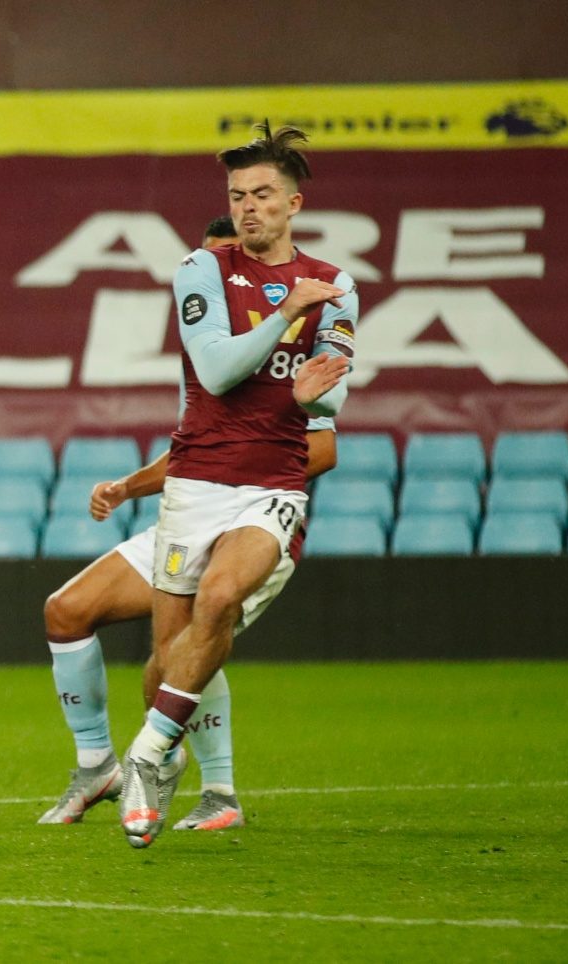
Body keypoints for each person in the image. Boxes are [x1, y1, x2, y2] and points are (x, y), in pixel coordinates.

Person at [38, 216, 339, 832]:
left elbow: (325, 447)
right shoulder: (210, 345)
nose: (211, 280)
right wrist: (129, 486)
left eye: (224, 264)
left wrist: (252, 467)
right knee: (66, 611)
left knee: (189, 641)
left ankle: (218, 790)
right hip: (190, 507)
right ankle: (97, 764)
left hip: (254, 514)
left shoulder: (289, 338)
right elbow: (200, 445)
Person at [118, 123, 356, 847]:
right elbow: (218, 370)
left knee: (220, 598)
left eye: (261, 195)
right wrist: (287, 315)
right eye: (236, 195)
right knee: (168, 658)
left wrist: (315, 396)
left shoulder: (335, 284)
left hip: (272, 483)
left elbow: (332, 400)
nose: (248, 207)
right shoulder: (201, 268)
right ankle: (182, 768)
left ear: (292, 204)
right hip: (196, 480)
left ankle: (146, 754)